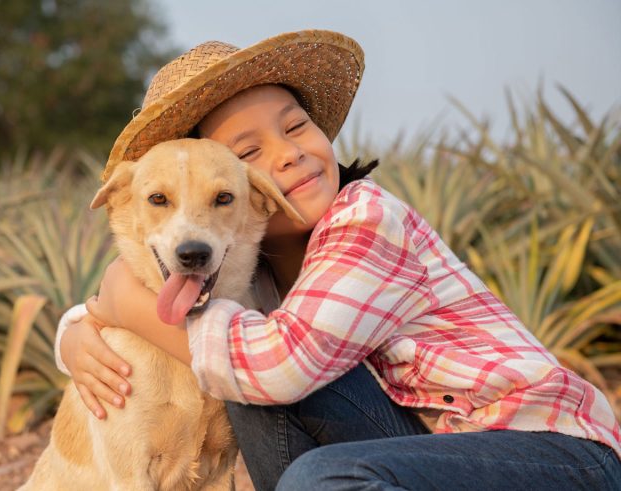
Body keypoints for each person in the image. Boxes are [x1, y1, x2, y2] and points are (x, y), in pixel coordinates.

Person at [54, 30, 621, 490]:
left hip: (554, 453)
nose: (289, 153)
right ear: (244, 189)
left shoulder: (366, 218)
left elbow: (277, 366)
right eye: (249, 153)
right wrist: (76, 328)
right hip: (427, 452)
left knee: (316, 468)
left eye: (297, 125)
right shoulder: (252, 270)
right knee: (249, 387)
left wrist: (125, 308)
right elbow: (243, 359)